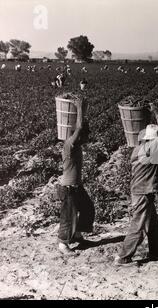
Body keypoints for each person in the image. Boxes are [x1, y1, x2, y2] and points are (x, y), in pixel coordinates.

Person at [114, 103, 158, 265]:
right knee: (139, 225)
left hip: (140, 190)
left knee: (153, 224)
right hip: (143, 192)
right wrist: (156, 110)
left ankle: (156, 251)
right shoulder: (152, 147)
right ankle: (123, 257)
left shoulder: (138, 148)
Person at [57, 98, 95, 255]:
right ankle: (63, 244)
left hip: (76, 186)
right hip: (68, 188)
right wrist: (79, 107)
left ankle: (78, 234)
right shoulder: (69, 145)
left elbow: (80, 128)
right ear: (78, 135)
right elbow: (78, 127)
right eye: (85, 136)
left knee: (88, 208)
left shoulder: (77, 146)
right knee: (68, 217)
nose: (87, 139)